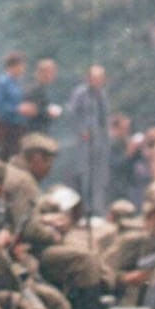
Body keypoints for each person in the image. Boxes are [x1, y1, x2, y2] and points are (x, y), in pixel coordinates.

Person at [67, 64, 111, 216]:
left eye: (100, 78)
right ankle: (82, 209)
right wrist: (80, 131)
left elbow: (104, 118)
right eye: (95, 78)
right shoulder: (80, 93)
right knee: (83, 174)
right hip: (83, 142)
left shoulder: (102, 95)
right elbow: (72, 114)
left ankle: (97, 208)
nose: (98, 81)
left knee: (98, 176)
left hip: (99, 142)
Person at [0, 51, 29, 157]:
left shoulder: (19, 82)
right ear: (13, 66)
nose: (23, 69)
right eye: (21, 66)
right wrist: (16, 109)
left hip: (21, 127)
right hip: (8, 128)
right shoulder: (3, 82)